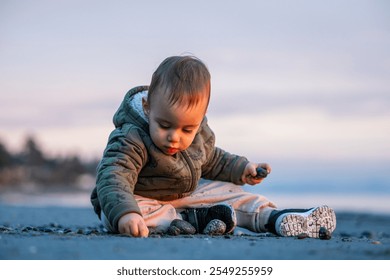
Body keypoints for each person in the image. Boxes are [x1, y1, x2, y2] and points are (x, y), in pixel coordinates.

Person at [90, 55, 336, 238]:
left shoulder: (197, 136)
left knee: (231, 191)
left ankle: (272, 217)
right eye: (165, 125)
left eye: (187, 129)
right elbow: (113, 178)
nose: (175, 137)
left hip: (185, 197)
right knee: (125, 215)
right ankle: (194, 220)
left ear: (200, 118)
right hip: (141, 199)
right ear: (147, 108)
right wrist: (126, 213)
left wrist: (242, 168)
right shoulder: (130, 138)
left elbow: (212, 160)